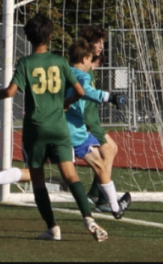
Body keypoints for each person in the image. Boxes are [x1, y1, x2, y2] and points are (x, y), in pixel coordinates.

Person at [0, 15, 108, 242]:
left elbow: (11, 92)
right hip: (60, 129)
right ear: (50, 37)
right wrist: (65, 104)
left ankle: (53, 228)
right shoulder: (61, 62)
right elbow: (80, 92)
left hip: (36, 129)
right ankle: (88, 218)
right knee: (71, 175)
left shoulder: (25, 63)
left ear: (28, 38)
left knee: (38, 179)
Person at [65, 38, 129, 219]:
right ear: (85, 59)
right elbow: (85, 91)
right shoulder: (83, 75)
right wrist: (110, 97)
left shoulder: (60, 70)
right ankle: (100, 207)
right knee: (76, 172)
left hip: (57, 126)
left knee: (102, 159)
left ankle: (114, 207)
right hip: (74, 130)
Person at [78, 25, 122, 211]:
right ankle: (103, 199)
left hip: (90, 120)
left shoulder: (90, 68)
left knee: (111, 149)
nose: (101, 45)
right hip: (85, 121)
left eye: (102, 41)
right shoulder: (83, 69)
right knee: (109, 151)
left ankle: (96, 194)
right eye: (98, 41)